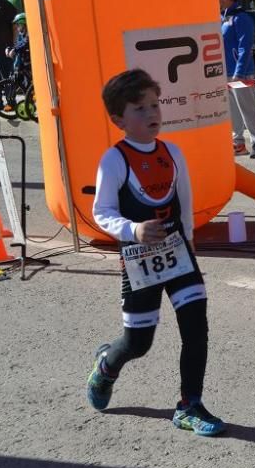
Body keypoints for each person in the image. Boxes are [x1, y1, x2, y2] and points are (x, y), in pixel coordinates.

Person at [87, 69, 225, 437]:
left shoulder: (172, 152)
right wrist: (133, 230)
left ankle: (189, 405)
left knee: (197, 330)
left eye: (155, 104)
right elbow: (101, 212)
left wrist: (190, 240)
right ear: (119, 119)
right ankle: (106, 366)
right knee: (138, 342)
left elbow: (184, 203)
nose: (152, 114)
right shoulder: (114, 160)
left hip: (178, 254)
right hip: (140, 261)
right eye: (139, 108)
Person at [218, 0, 255, 159]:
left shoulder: (241, 17)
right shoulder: (223, 17)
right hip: (227, 72)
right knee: (233, 110)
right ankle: (238, 143)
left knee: (248, 108)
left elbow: (245, 47)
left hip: (242, 73)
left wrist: (239, 72)